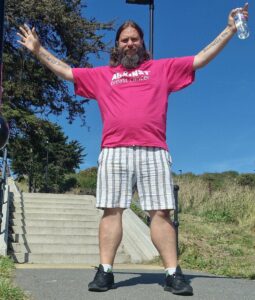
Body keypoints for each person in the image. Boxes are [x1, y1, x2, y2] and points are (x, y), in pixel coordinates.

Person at [17, 3, 248, 296]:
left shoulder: (162, 69)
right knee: (111, 211)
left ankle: (173, 273)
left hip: (154, 150)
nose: (129, 44)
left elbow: (200, 58)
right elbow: (66, 71)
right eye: (124, 40)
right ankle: (106, 272)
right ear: (118, 46)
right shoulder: (102, 75)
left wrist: (229, 29)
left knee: (160, 212)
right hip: (114, 150)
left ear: (142, 44)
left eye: (134, 39)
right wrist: (38, 50)